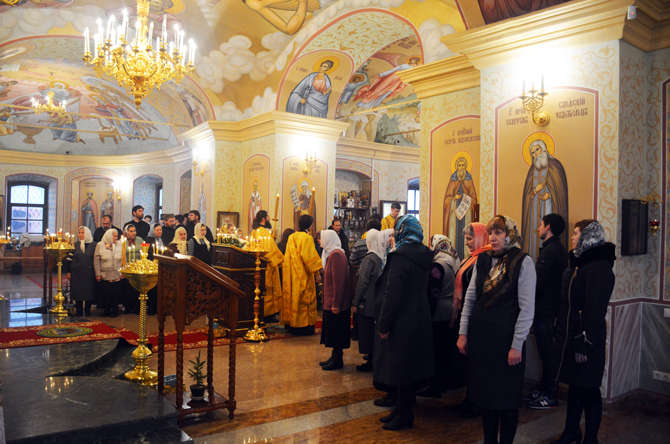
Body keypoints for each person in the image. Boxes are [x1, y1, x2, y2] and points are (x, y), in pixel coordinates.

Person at [457, 215, 536, 444]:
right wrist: (463, 333)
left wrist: (516, 345)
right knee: (486, 400)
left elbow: (526, 308)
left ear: (510, 235)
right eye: (491, 232)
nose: (493, 237)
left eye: (499, 232)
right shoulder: (482, 259)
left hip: (506, 342)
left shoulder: (523, 261)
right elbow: (471, 299)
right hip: (482, 341)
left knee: (507, 401)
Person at [552, 220, 615, 444]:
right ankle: (571, 432)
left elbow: (593, 311)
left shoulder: (599, 267)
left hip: (588, 340)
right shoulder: (582, 263)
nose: (572, 236)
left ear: (589, 236)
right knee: (576, 388)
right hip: (574, 335)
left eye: (577, 233)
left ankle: (591, 438)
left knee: (589, 390)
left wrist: (583, 343)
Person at [373, 215, 434, 431]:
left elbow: (393, 292)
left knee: (400, 369)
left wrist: (384, 324)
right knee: (408, 369)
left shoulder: (400, 256)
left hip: (401, 319)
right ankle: (400, 410)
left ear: (401, 231)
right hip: (420, 316)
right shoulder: (426, 255)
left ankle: (404, 415)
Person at [528, 213, 568, 410]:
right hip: (549, 308)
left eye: (541, 224)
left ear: (548, 227)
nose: (538, 228)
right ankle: (544, 388)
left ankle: (549, 393)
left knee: (547, 353)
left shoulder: (551, 251)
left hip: (547, 309)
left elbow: (539, 282)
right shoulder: (555, 249)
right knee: (546, 352)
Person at [454, 222, 491, 418]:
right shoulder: (473, 258)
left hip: (477, 318)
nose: (467, 242)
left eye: (470, 238)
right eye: (466, 239)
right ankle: (469, 399)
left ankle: (475, 402)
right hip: (466, 315)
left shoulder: (485, 259)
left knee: (477, 364)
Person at [418, 234, 460, 398]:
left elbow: (433, 292)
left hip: (439, 311)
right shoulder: (451, 260)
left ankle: (436, 386)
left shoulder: (438, 265)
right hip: (449, 308)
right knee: (445, 348)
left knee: (437, 350)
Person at [351, 228, 388, 372]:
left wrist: (355, 301)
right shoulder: (380, 257)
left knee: (367, 332)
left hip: (368, 302)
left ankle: (371, 361)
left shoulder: (369, 259)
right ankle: (373, 358)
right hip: (377, 300)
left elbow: (362, 282)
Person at [281, 215, 323, 335]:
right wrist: (317, 271)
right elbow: (309, 257)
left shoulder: (292, 237)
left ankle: (290, 324)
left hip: (291, 274)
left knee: (292, 298)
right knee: (304, 299)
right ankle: (303, 326)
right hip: (303, 274)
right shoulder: (307, 238)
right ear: (309, 225)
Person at [319, 229, 352, 371]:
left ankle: (337, 360)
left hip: (336, 303)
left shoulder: (336, 256)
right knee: (333, 332)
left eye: (321, 238)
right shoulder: (333, 254)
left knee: (336, 333)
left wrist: (336, 303)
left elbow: (339, 282)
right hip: (332, 301)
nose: (320, 241)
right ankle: (334, 357)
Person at [251, 211, 283, 320]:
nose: (269, 218)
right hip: (268, 266)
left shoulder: (254, 231)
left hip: (258, 265)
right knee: (269, 290)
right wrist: (281, 259)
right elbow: (271, 249)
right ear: (264, 219)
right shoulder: (263, 232)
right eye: (268, 216)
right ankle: (269, 314)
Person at [65, 226, 97, 316]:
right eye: (79, 233)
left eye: (82, 233)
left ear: (87, 233)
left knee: (89, 292)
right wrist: (68, 272)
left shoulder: (94, 245)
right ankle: (78, 310)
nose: (80, 235)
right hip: (76, 273)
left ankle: (87, 310)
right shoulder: (74, 245)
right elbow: (68, 259)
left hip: (89, 273)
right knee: (77, 292)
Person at [94, 229, 123, 317]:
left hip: (117, 273)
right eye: (114, 236)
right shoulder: (100, 245)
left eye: (117, 235)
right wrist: (98, 273)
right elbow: (96, 260)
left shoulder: (120, 244)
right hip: (105, 274)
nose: (116, 237)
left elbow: (123, 259)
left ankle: (114, 310)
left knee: (116, 293)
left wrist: (123, 272)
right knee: (106, 293)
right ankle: (106, 310)